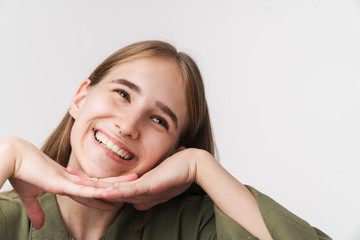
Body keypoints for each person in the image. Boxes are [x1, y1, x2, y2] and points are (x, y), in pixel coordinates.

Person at [0, 40, 330, 240]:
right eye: (122, 93)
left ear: (174, 154)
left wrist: (202, 166)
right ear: (80, 97)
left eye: (160, 120)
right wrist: (7, 154)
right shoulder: (7, 218)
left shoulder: (196, 229)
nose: (128, 126)